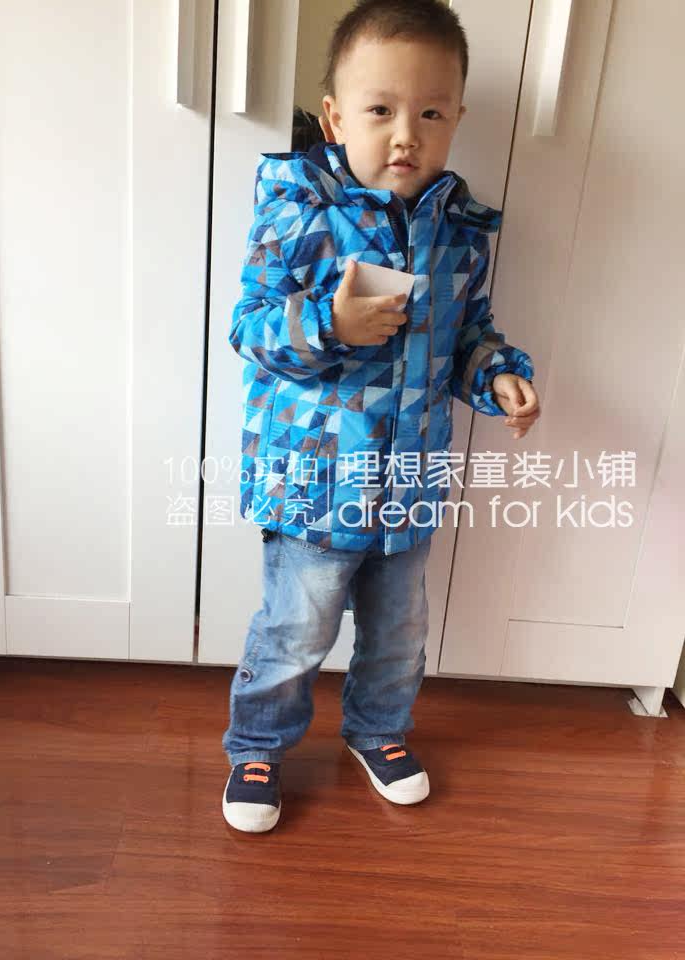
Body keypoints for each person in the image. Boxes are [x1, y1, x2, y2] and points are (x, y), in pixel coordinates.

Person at [222, 0, 541, 833]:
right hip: (311, 481)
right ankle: (256, 746)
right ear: (335, 118)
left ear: (456, 118)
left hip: (407, 479)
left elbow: (466, 334)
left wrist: (498, 377)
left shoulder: (458, 231)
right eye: (380, 110)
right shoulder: (300, 210)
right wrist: (330, 324)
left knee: (399, 630)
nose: (406, 135)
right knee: (296, 629)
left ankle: (378, 730)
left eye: (430, 113)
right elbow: (250, 330)